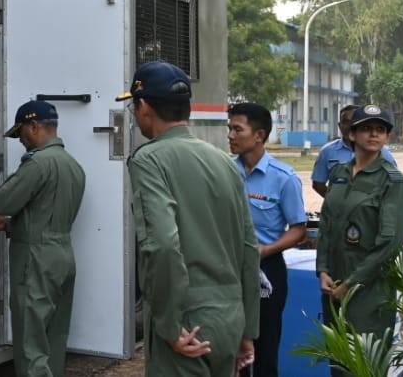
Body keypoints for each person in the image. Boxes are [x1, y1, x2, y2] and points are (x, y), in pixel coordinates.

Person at [120, 61, 259, 377]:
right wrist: (247, 329)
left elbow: (163, 245)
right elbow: (249, 248)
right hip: (230, 318)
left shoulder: (150, 160)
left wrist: (169, 327)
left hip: (187, 323)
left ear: (143, 107)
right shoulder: (223, 162)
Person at [0, 99, 85, 377]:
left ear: (34, 126)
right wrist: (8, 227)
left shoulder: (38, 164)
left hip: (35, 261)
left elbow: (1, 201)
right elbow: (45, 215)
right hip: (63, 256)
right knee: (53, 338)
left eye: (21, 133)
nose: (20, 140)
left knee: (31, 344)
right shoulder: (73, 166)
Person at [316, 105, 403, 370]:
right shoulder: (339, 174)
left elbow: (389, 245)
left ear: (387, 137)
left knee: (366, 364)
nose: (374, 134)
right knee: (338, 362)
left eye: (380, 130)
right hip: (333, 284)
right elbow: (327, 225)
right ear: (352, 134)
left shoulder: (394, 182)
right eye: (367, 128)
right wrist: (322, 269)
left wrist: (351, 283)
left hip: (368, 289)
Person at [226, 102, 306, 377]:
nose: (231, 135)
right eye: (230, 129)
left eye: (238, 129)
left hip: (266, 271)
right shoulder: (224, 171)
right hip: (228, 269)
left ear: (259, 135)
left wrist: (265, 250)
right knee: (228, 346)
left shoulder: (284, 178)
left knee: (264, 349)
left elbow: (298, 229)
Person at [312, 105, 397, 197]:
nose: (349, 126)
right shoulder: (327, 151)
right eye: (346, 122)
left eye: (354, 122)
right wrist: (334, 202)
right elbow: (318, 183)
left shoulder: (383, 153)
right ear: (340, 126)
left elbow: (394, 187)